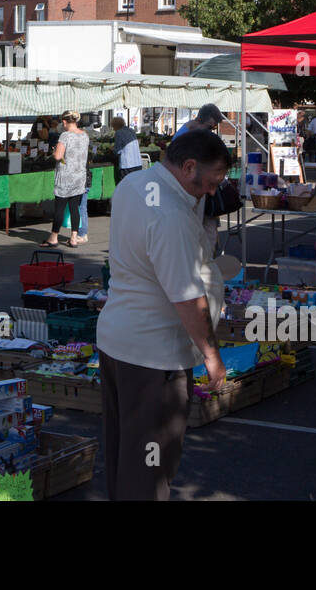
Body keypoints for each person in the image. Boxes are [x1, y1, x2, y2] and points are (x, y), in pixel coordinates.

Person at [97, 129, 232, 500]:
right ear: (188, 167)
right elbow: (188, 298)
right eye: (212, 181)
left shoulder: (134, 184)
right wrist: (212, 356)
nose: (212, 192)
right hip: (153, 358)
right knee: (149, 467)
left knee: (127, 457)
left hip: (119, 342)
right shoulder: (171, 215)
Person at [44, 111, 89, 248]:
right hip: (79, 175)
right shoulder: (84, 135)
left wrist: (54, 151)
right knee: (75, 208)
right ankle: (74, 238)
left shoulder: (65, 135)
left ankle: (54, 237)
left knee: (60, 208)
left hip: (65, 176)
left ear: (64, 122)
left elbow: (58, 156)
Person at [111, 116, 142, 184]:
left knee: (125, 186)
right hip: (138, 163)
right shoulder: (131, 131)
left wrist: (112, 149)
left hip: (127, 165)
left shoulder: (119, 133)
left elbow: (117, 151)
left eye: (113, 127)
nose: (113, 129)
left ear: (116, 126)